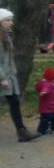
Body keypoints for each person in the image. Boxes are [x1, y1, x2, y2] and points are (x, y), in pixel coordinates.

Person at [1, 8, 39, 142]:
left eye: (10, 20)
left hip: (9, 75)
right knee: (14, 102)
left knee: (14, 102)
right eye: (7, 20)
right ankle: (22, 131)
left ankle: (21, 131)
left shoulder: (6, 36)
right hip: (3, 77)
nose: (11, 23)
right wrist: (2, 78)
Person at [36, 67, 54, 134]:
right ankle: (42, 129)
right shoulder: (48, 84)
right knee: (46, 118)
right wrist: (43, 92)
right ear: (52, 77)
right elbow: (45, 88)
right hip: (47, 107)